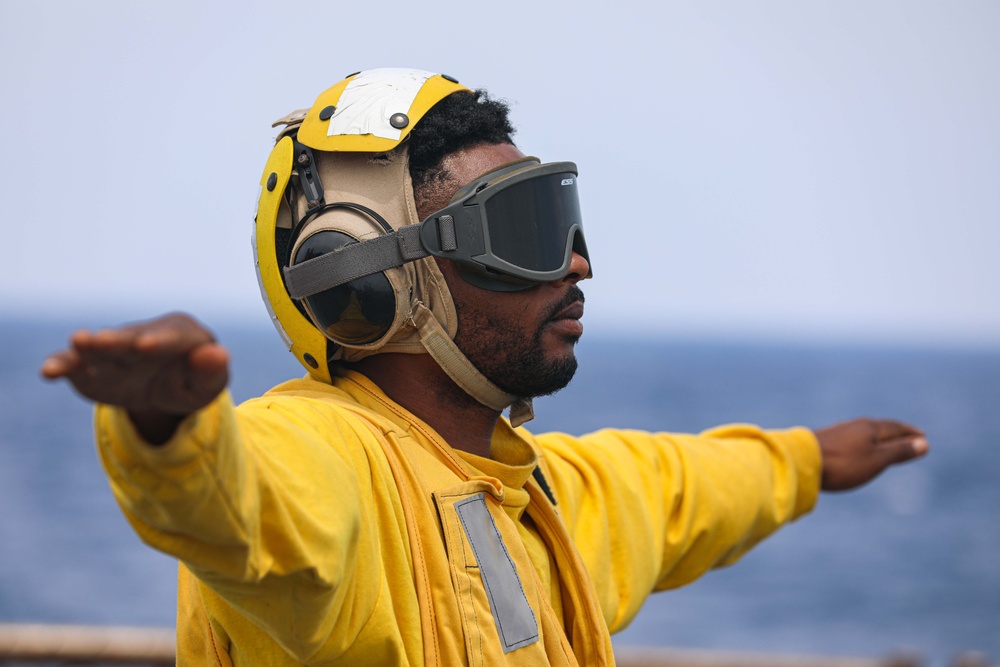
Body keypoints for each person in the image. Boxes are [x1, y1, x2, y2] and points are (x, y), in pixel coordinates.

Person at [41, 68, 928, 666]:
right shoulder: (328, 456)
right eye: (527, 234)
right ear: (374, 275)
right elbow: (241, 502)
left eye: (564, 223)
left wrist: (809, 457)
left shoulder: (532, 491)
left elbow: (676, 488)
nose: (576, 265)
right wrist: (169, 430)